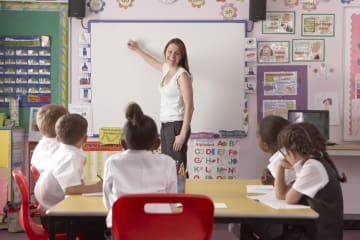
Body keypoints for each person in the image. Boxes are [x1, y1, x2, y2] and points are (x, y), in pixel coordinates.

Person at [128, 38, 194, 192]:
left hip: (177, 125)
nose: (172, 56)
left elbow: (190, 107)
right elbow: (152, 61)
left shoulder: (182, 75)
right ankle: (172, 198)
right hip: (165, 125)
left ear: (182, 56)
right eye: (170, 52)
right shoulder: (167, 70)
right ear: (165, 53)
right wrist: (137, 49)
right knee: (168, 166)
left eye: (177, 53)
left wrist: (182, 134)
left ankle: (181, 200)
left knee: (178, 166)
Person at [102, 102, 177, 236]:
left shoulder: (112, 162)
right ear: (157, 144)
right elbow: (172, 201)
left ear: (123, 144)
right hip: (160, 229)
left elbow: (107, 198)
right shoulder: (167, 162)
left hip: (124, 229)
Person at [274, 122, 346, 240]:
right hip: (316, 230)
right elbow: (281, 194)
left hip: (320, 234)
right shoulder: (313, 162)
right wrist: (280, 167)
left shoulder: (312, 166)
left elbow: (289, 199)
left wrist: (281, 167)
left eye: (285, 153)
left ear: (291, 153)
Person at [231, 115, 294, 240]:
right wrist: (273, 182)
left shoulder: (279, 161)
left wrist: (274, 183)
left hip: (286, 219)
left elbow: (285, 193)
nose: (257, 139)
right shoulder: (290, 153)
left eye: (257, 136)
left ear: (265, 145)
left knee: (238, 222)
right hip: (291, 217)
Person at [34, 114, 102, 226]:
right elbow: (70, 189)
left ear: (57, 138)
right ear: (85, 138)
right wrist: (96, 187)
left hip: (51, 209)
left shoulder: (64, 152)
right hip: (55, 217)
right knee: (99, 222)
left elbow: (74, 183)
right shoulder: (70, 157)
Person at [31, 104, 68, 174]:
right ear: (64, 127)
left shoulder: (40, 146)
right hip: (58, 183)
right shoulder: (62, 147)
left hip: (45, 183)